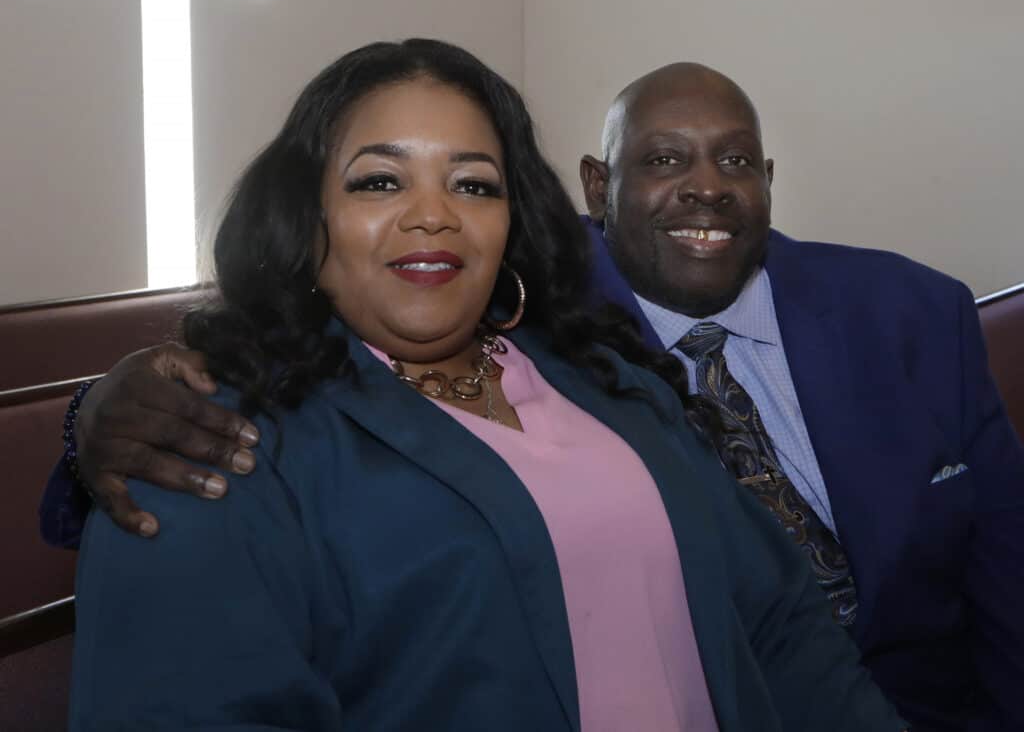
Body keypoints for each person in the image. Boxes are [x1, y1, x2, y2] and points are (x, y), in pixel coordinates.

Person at [64, 41, 906, 730]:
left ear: (512, 222)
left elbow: (781, 619)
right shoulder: (205, 441)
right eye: (379, 180)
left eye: (473, 183)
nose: (434, 214)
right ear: (306, 213)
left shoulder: (605, 379)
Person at [576, 63, 1024, 731]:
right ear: (599, 186)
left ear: (767, 182)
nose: (707, 186)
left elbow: (1010, 578)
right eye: (665, 159)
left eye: (736, 160)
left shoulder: (914, 316)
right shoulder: (540, 344)